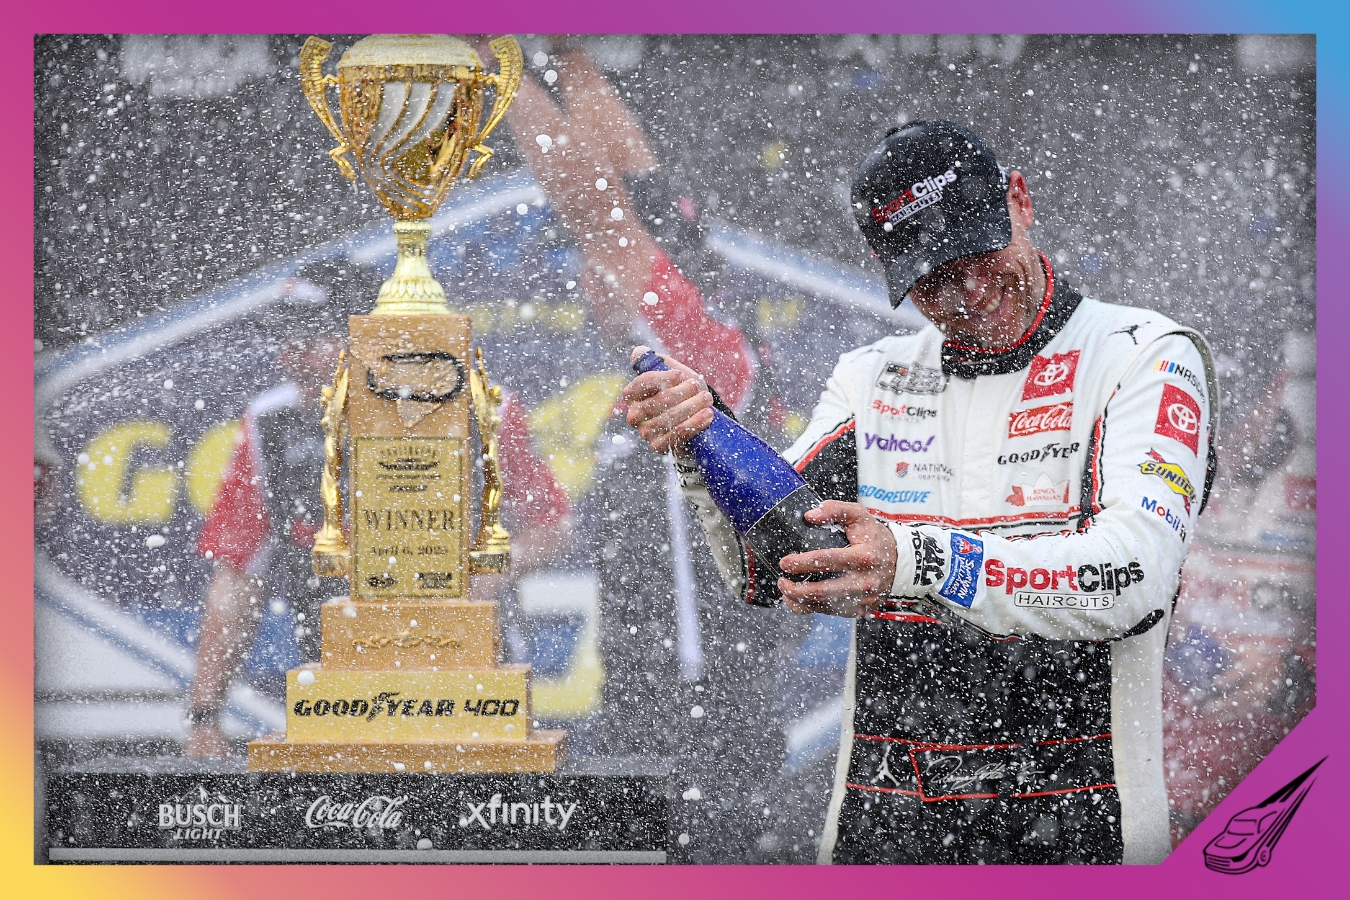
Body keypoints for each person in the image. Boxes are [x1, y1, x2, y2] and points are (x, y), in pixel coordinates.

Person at [624, 120, 1217, 864]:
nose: (968, 290)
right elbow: (768, 566)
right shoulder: (874, 376)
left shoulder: (1144, 356)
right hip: (887, 833)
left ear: (1021, 201)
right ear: (887, 268)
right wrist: (702, 438)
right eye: (932, 274)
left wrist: (918, 561)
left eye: (977, 250)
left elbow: (1137, 576)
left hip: (1080, 831)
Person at [503, 42, 799, 861]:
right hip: (704, 687)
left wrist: (491, 65)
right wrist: (567, 55)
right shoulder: (702, 309)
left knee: (701, 841)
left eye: (593, 273)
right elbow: (625, 191)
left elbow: (594, 211)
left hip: (700, 701)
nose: (587, 282)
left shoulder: (682, 329)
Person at [183, 261, 571, 757]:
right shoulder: (270, 425)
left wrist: (488, 572)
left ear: (372, 340)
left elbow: (552, 527)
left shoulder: (479, 407)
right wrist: (204, 715)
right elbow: (236, 580)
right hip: (337, 691)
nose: (291, 356)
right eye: (287, 339)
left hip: (472, 683)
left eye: (311, 337)